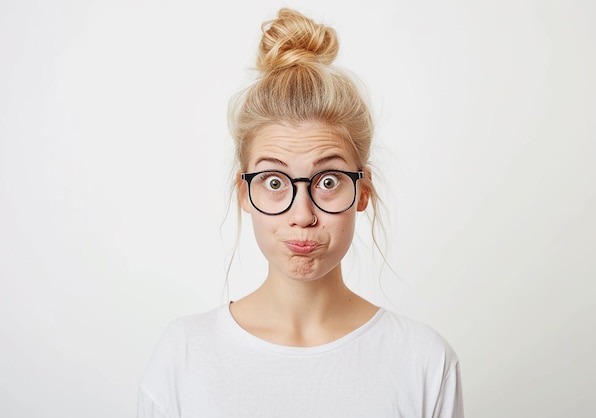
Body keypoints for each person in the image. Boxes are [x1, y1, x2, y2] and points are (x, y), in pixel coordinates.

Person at [138, 8, 464, 418]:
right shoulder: (182, 356)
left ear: (362, 192)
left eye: (328, 181)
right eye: (275, 182)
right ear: (244, 191)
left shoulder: (425, 363)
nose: (302, 214)